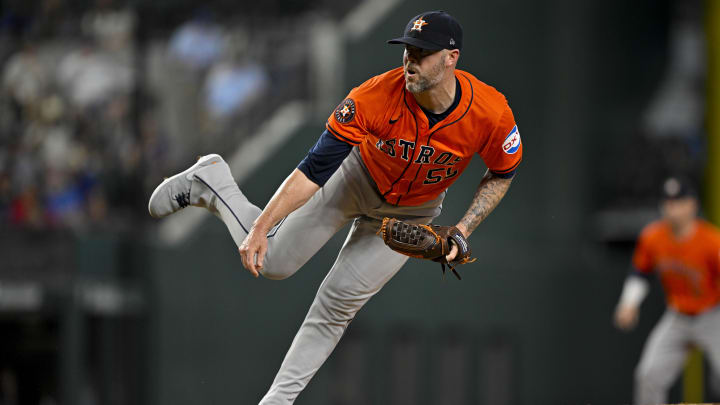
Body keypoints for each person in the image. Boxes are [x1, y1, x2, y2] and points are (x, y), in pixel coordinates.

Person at [149, 11, 522, 404]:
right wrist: (260, 227)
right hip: (355, 180)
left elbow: (502, 172)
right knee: (273, 262)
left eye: (423, 52)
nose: (411, 59)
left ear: (451, 58)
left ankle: (278, 400)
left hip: (414, 210)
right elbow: (313, 170)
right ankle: (212, 180)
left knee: (338, 303)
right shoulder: (374, 96)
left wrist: (462, 230)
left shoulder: (491, 112)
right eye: (408, 49)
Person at [614, 177, 720, 405]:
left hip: (713, 315)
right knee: (648, 375)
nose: (671, 207)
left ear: (692, 205)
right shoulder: (653, 237)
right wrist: (628, 303)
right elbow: (640, 272)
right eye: (668, 201)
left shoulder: (711, 242)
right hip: (678, 316)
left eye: (678, 201)